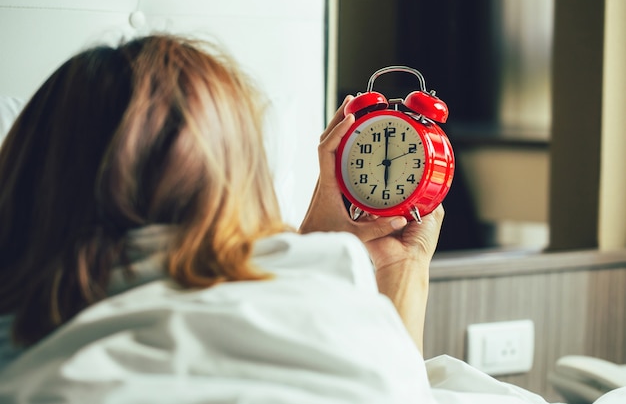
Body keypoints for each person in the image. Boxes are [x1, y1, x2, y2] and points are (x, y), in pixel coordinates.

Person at [0, 33, 445, 403]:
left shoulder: (27, 368)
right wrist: (406, 268)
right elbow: (395, 385)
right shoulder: (338, 313)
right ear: (239, 181)